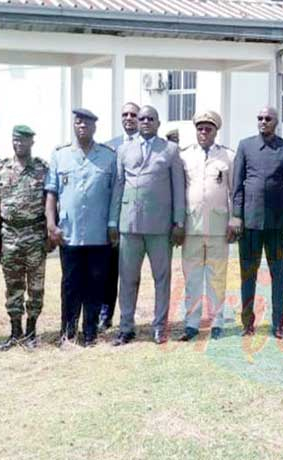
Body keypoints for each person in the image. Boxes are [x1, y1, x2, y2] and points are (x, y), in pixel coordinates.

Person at [110, 105, 186, 346]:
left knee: (161, 278)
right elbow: (118, 186)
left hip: (160, 226)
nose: (144, 122)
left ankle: (159, 327)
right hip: (129, 225)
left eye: (149, 119)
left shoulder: (171, 150)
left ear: (158, 123)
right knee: (128, 278)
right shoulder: (123, 150)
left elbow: (178, 189)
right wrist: (113, 220)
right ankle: (126, 327)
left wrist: (179, 222)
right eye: (141, 118)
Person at [46, 108, 117, 347]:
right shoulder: (60, 155)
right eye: (78, 122)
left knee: (96, 284)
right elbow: (51, 193)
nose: (82, 126)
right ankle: (68, 331)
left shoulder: (109, 156)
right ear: (74, 126)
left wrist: (112, 224)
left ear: (95, 127)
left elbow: (115, 194)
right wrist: (50, 224)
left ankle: (90, 332)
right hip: (70, 234)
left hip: (99, 234)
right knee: (70, 284)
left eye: (87, 123)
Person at [230, 106, 283, 339]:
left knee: (278, 275)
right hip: (249, 224)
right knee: (248, 274)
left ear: (276, 122)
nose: (263, 122)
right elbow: (237, 186)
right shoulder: (245, 146)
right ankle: (247, 323)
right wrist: (236, 215)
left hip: (278, 225)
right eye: (259, 118)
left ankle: (278, 324)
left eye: (268, 119)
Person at [0, 125, 50, 350]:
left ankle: (32, 331)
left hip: (34, 234)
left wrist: (50, 232)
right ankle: (16, 332)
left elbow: (50, 202)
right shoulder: (2, 169)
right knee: (13, 285)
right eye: (15, 140)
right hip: (10, 235)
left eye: (23, 140)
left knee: (35, 286)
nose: (19, 144)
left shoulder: (42, 169)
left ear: (32, 142)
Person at [179, 110, 234, 341]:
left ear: (216, 131)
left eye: (208, 128)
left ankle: (217, 321)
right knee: (191, 276)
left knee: (217, 276)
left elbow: (233, 192)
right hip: (191, 225)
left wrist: (233, 220)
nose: (203, 132)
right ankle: (191, 323)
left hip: (218, 225)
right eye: (200, 128)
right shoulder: (184, 156)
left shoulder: (228, 157)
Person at [98, 101, 140, 332]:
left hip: (139, 218)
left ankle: (129, 314)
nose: (129, 118)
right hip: (115, 217)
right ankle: (106, 313)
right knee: (109, 268)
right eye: (125, 114)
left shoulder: (149, 145)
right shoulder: (110, 147)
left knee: (131, 271)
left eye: (134, 114)